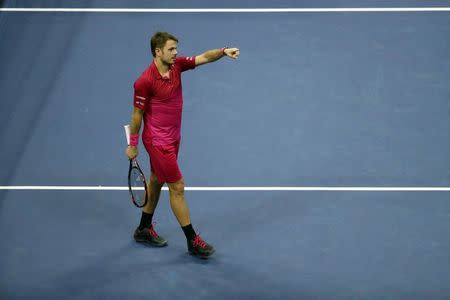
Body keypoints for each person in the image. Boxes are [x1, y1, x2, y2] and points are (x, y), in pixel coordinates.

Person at [125, 31, 240, 258]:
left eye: (176, 49)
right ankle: (192, 240)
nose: (176, 53)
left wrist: (223, 52)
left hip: (174, 137)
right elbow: (137, 115)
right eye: (171, 49)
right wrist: (133, 144)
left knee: (157, 180)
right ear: (158, 52)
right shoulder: (145, 81)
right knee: (177, 187)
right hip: (158, 142)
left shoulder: (176, 65)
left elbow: (203, 58)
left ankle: (143, 228)